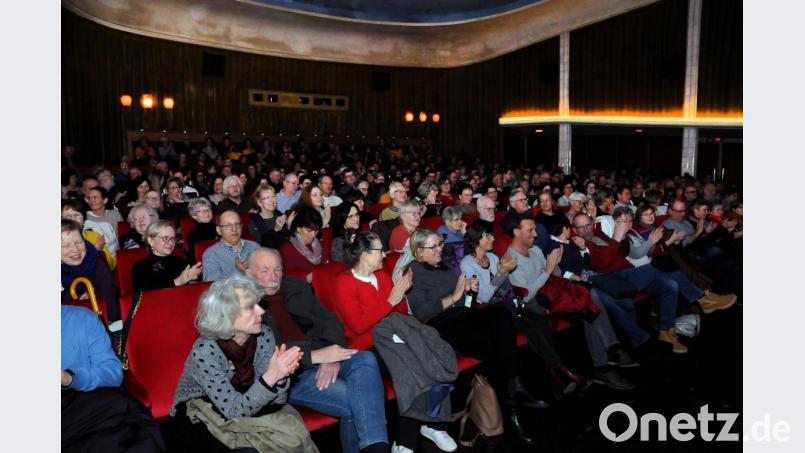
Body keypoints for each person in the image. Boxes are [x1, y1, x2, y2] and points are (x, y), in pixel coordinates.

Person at [246, 248, 391, 453]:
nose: (273, 277)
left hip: (323, 353)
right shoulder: (245, 303)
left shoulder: (294, 287)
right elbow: (268, 352)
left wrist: (329, 355)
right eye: (265, 271)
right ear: (250, 274)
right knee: (356, 399)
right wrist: (317, 356)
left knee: (366, 358)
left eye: (277, 269)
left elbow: (330, 320)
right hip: (290, 376)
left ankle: (376, 448)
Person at [403, 228, 538, 445]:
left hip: (464, 314)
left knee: (501, 314)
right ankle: (509, 402)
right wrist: (455, 295)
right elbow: (422, 311)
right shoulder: (413, 271)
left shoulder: (443, 267)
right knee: (492, 343)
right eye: (434, 246)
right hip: (441, 323)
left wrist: (469, 292)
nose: (440, 249)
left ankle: (512, 385)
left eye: (440, 244)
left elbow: (466, 304)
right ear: (419, 251)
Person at [335, 232, 457, 453]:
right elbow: (359, 326)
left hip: (395, 335)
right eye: (379, 251)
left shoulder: (381, 276)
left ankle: (433, 423)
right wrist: (392, 298)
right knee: (412, 367)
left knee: (430, 357)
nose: (385, 254)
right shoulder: (345, 282)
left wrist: (398, 298)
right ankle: (405, 440)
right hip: (368, 345)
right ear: (364, 255)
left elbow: (399, 313)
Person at [167, 274, 317, 452]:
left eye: (258, 304)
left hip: (247, 399)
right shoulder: (205, 350)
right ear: (227, 315)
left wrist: (282, 376)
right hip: (198, 411)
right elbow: (232, 410)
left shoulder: (264, 335)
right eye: (250, 307)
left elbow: (278, 401)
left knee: (292, 435)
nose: (261, 312)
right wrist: (272, 376)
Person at [505, 214, 635, 390]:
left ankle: (608, 354)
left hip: (554, 294)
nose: (536, 234)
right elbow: (525, 296)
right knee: (588, 309)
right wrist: (549, 270)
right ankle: (605, 361)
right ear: (516, 232)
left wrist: (556, 267)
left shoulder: (534, 249)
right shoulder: (509, 260)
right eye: (531, 230)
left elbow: (554, 276)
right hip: (537, 305)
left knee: (590, 297)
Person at [62, 305, 164, 452]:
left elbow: (112, 372)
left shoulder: (82, 318)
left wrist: (70, 377)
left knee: (137, 429)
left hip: (94, 402)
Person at [61, 219, 122, 335]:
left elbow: (112, 308)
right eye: (65, 245)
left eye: (79, 242)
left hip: (102, 328)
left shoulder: (96, 261)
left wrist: (93, 299)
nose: (75, 249)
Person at [132, 220, 202, 292]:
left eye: (172, 238)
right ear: (151, 241)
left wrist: (193, 281)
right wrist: (178, 282)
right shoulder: (141, 267)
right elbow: (146, 294)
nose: (171, 242)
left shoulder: (181, 261)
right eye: (165, 238)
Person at [202, 210, 260, 281]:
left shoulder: (254, 247)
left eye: (237, 224)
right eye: (228, 226)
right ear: (218, 230)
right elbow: (211, 284)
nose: (234, 229)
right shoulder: (211, 254)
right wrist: (237, 271)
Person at [279, 207, 325, 282]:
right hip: (302, 289)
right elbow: (288, 279)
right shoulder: (288, 249)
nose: (313, 235)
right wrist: (308, 278)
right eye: (308, 230)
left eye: (316, 231)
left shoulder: (321, 245)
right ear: (298, 228)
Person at [248, 184, 292, 249]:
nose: (272, 200)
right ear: (260, 202)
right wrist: (276, 229)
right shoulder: (254, 221)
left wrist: (289, 226)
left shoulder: (280, 216)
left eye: (273, 196)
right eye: (267, 197)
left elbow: (287, 242)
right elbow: (261, 246)